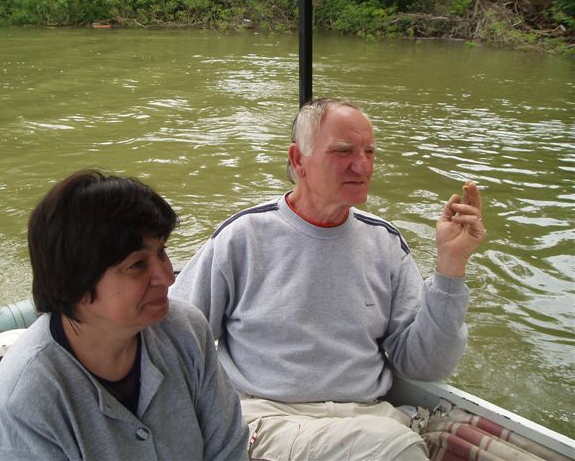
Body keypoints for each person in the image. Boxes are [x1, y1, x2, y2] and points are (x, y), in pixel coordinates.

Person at [170, 98, 486, 460]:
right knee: (397, 450)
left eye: (369, 152)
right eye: (343, 151)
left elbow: (424, 366)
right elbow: (177, 338)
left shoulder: (384, 243)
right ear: (298, 159)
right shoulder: (243, 237)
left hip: (369, 417)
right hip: (268, 419)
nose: (362, 165)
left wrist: (450, 266)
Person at [0, 170, 248, 461]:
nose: (167, 276)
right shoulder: (26, 400)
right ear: (76, 282)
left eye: (161, 251)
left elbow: (228, 449)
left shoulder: (186, 331)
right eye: (137, 265)